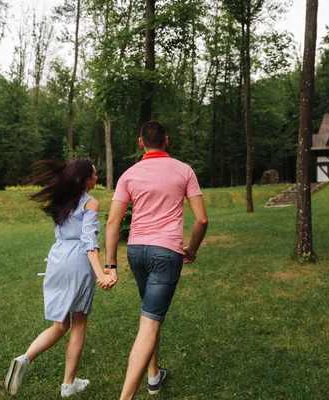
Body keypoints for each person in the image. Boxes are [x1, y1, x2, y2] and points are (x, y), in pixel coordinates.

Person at [105, 120, 208, 399]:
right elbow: (201, 219)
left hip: (136, 252)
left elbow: (113, 222)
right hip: (166, 253)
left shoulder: (128, 174)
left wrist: (110, 264)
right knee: (149, 322)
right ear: (167, 140)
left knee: (150, 313)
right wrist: (193, 249)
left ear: (141, 143)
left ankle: (153, 377)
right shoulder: (184, 170)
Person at [4, 159, 116, 397]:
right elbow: (89, 243)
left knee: (59, 325)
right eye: (95, 174)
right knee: (79, 323)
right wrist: (101, 274)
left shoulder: (61, 200)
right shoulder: (90, 203)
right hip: (77, 260)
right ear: (87, 180)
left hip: (57, 257)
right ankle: (68, 384)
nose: (97, 177)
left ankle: (24, 358)